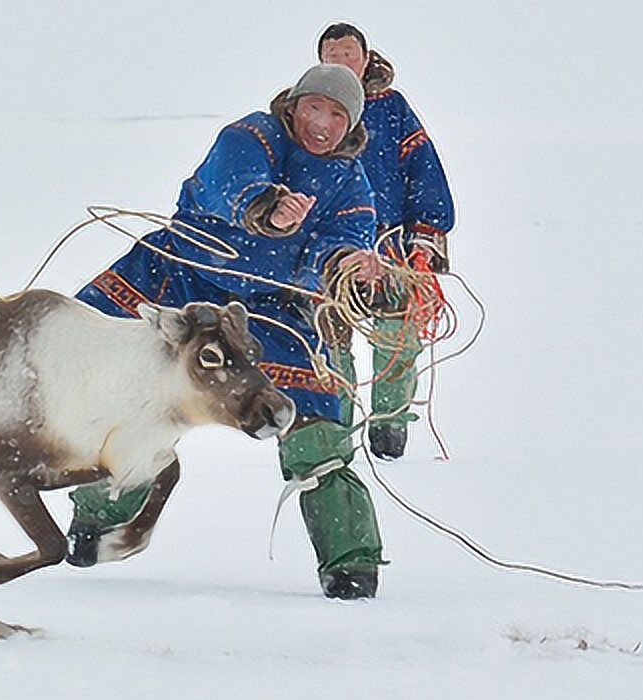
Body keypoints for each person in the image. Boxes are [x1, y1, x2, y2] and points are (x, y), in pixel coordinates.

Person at [65, 64, 389, 599]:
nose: (322, 123)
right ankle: (94, 521)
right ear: (295, 105)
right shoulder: (252, 135)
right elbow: (227, 186)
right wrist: (268, 210)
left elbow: (338, 240)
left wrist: (347, 264)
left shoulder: (350, 182)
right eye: (315, 107)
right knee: (138, 410)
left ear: (350, 124)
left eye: (336, 114)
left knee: (315, 429)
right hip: (180, 281)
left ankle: (351, 564)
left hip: (270, 310)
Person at [317, 22, 457, 459]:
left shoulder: (391, 108)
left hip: (390, 246)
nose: (340, 61)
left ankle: (389, 427)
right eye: (332, 54)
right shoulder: (310, 111)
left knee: (398, 337)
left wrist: (428, 232)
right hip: (329, 252)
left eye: (348, 53)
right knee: (326, 341)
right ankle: (333, 428)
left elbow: (423, 169)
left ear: (365, 57)